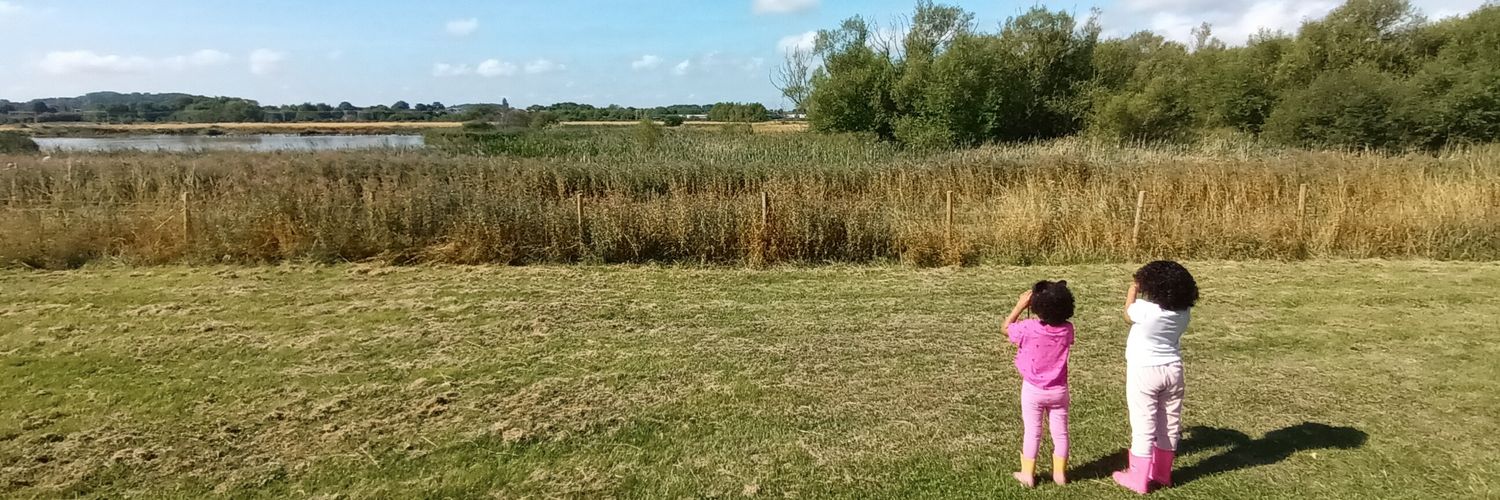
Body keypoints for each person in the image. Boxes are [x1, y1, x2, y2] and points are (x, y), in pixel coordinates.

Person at [1113, 261, 1199, 494]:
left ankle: (1137, 478)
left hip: (1144, 370)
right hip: (1173, 369)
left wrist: (1132, 290)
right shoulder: (1183, 312)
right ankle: (1162, 474)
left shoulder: (1145, 310)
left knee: (1143, 424)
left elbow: (1127, 315)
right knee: (1169, 423)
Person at [1004, 280, 1076, 487]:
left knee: (1033, 431)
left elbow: (1005, 328)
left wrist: (1019, 306)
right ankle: (1060, 474)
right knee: (1060, 432)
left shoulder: (1028, 328)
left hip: (1033, 389)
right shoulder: (1068, 329)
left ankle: (1027, 474)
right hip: (1059, 390)